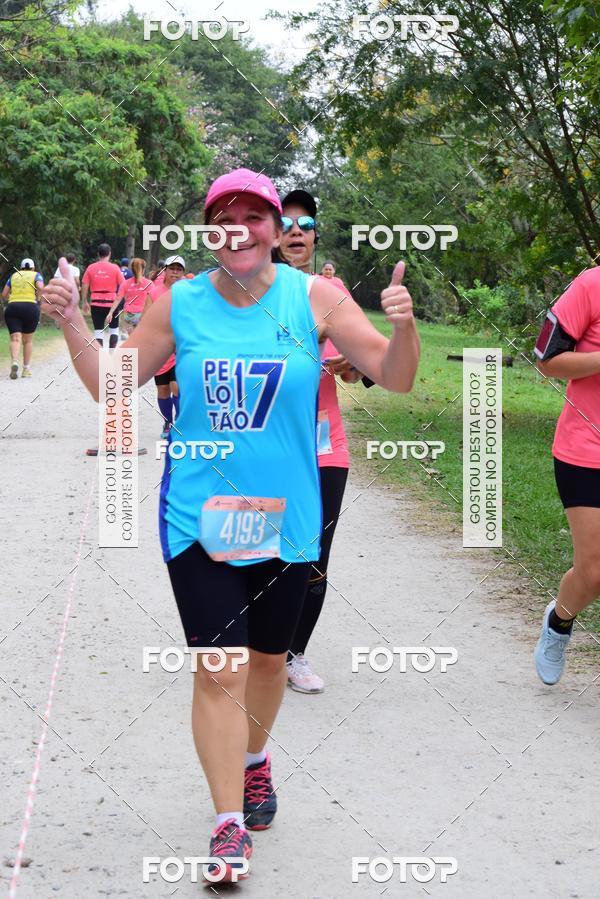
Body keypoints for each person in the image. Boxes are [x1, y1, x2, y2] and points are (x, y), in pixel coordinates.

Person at [41, 167, 419, 883]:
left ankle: (255, 759)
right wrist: (70, 324)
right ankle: (225, 824)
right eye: (224, 216)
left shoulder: (315, 297)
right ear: (209, 230)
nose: (238, 228)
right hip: (200, 516)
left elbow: (393, 375)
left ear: (277, 230)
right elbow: (112, 391)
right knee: (219, 668)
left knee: (269, 663)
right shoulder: (180, 303)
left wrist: (404, 327)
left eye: (254, 215)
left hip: (288, 518)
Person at [279, 188, 358, 693]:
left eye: (305, 225)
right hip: (265, 443)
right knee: (257, 549)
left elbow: (359, 372)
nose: (295, 231)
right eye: (285, 223)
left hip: (325, 446)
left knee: (313, 557)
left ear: (315, 237)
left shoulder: (333, 291)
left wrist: (349, 363)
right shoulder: (245, 292)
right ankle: (251, 647)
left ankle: (294, 654)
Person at [534, 268, 600, 684]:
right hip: (587, 450)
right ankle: (559, 622)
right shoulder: (591, 284)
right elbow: (547, 360)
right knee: (593, 571)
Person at [142, 255, 185, 438]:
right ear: (165, 271)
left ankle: (181, 422)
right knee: (163, 389)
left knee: (177, 386)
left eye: (178, 269)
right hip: (160, 349)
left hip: (181, 347)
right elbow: (146, 319)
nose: (175, 272)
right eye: (172, 268)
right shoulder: (154, 292)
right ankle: (168, 422)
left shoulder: (187, 291)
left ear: (182, 272)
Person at [2, 258, 44, 379]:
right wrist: (38, 297)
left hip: (13, 307)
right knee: (28, 340)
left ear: (21, 268)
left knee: (15, 339)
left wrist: (13, 299)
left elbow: (4, 294)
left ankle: (14, 362)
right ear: (33, 268)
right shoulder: (36, 275)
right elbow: (40, 287)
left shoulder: (14, 275)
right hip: (30, 307)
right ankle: (26, 369)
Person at [81, 243, 125, 348]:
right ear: (109, 253)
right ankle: (111, 355)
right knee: (114, 329)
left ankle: (101, 358)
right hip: (112, 303)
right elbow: (123, 285)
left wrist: (84, 301)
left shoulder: (91, 268)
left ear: (98, 254)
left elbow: (84, 285)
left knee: (98, 331)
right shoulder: (115, 268)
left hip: (96, 303)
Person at [105, 258, 153, 338]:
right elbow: (154, 299)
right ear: (143, 269)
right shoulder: (149, 283)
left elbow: (118, 299)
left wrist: (110, 313)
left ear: (132, 269)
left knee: (132, 339)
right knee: (141, 339)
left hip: (129, 315)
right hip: (143, 314)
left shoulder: (125, 283)